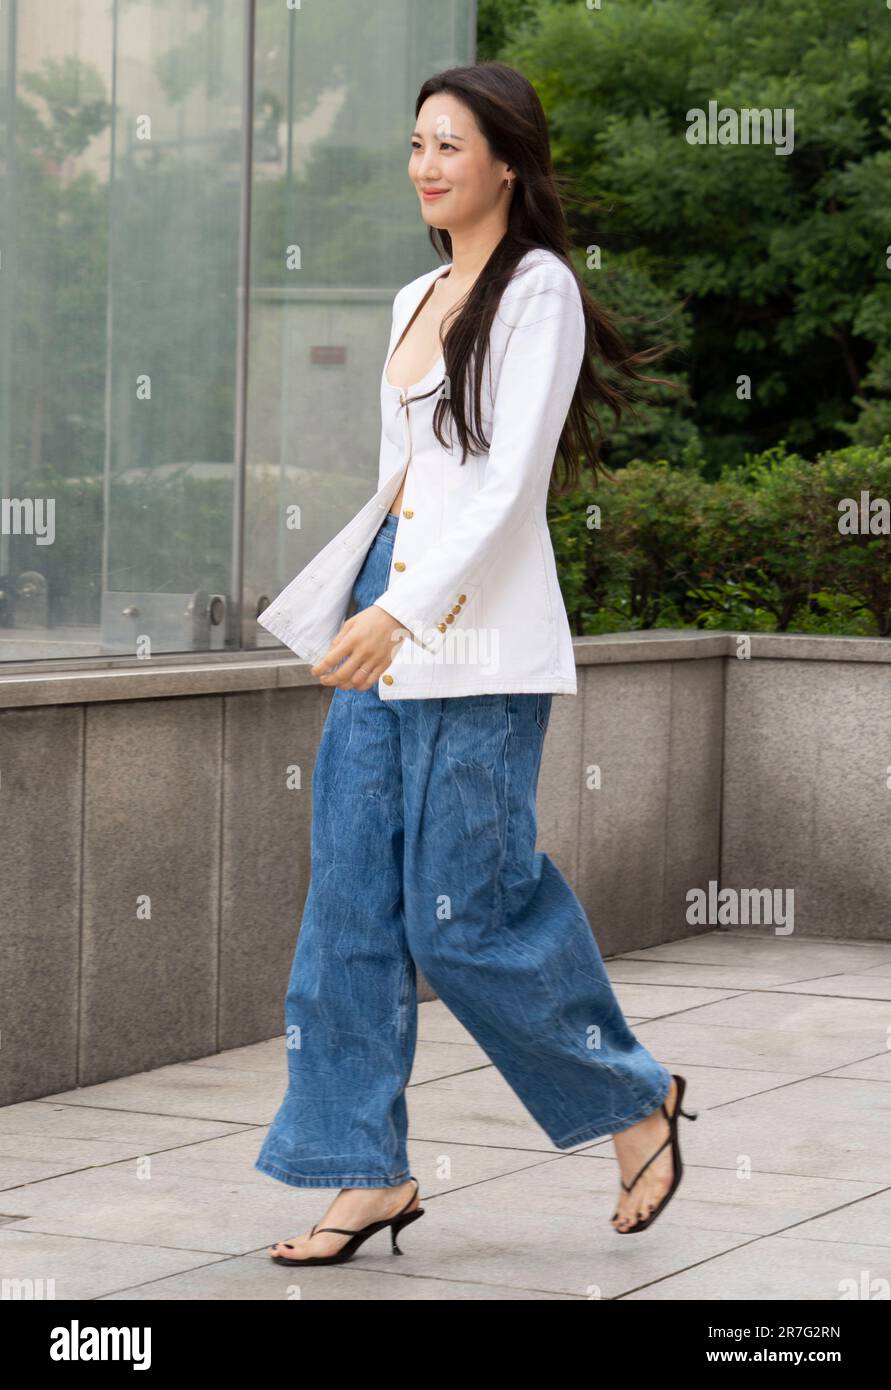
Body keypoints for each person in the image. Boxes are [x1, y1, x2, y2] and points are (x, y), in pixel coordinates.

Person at [255, 61, 696, 1267]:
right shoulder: (411, 295)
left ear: (508, 161)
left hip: (472, 638)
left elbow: (505, 489)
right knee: (347, 908)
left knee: (466, 917)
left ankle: (634, 1098)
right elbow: (410, 481)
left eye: (451, 145)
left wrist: (407, 610)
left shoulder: (539, 288)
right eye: (414, 146)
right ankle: (363, 1174)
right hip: (385, 612)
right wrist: (352, 599)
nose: (426, 166)